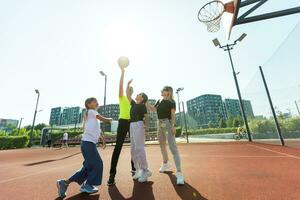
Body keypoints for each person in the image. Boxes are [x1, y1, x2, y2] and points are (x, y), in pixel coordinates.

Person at [56, 97, 112, 198]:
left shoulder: (92, 116)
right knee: (98, 163)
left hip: (88, 144)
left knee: (86, 169)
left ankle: (64, 183)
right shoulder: (91, 112)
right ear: (88, 104)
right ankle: (88, 185)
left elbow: (97, 130)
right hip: (88, 144)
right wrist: (108, 120)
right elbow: (101, 118)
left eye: (96, 101)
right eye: (94, 101)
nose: (96, 102)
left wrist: (102, 139)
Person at [147, 86, 185, 185]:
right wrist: (146, 102)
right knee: (162, 146)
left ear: (168, 92)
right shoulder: (159, 101)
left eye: (163, 90)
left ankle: (179, 173)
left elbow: (172, 115)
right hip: (159, 124)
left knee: (173, 148)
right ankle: (166, 163)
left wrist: (173, 126)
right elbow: (153, 109)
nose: (161, 91)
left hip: (167, 124)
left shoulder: (171, 102)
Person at [107, 66, 136, 186]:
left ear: (132, 92)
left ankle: (134, 169)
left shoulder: (134, 102)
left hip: (132, 123)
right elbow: (120, 86)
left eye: (130, 89)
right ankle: (112, 174)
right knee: (118, 147)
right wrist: (123, 72)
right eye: (127, 89)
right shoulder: (122, 97)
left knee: (134, 147)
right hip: (123, 122)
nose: (128, 90)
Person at [126, 79, 152, 183]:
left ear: (142, 98)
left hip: (139, 125)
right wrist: (127, 85)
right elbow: (128, 95)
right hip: (132, 125)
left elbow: (146, 117)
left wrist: (146, 127)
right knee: (133, 149)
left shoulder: (142, 106)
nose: (137, 94)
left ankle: (145, 170)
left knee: (140, 148)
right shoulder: (133, 104)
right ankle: (138, 170)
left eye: (139, 94)